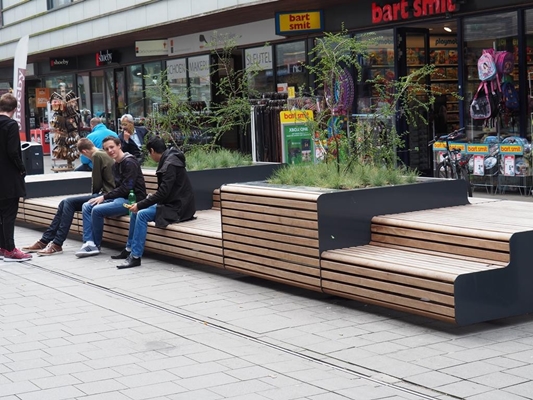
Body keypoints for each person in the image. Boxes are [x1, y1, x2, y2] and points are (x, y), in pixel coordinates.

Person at [22, 139, 115, 256]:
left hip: (106, 195)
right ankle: (46, 241)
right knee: (64, 203)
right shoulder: (101, 153)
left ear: (84, 151)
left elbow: (96, 182)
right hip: (107, 194)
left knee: (69, 202)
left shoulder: (97, 156)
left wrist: (92, 196)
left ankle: (55, 243)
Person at [114, 136, 195, 269]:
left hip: (178, 208)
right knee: (136, 211)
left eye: (149, 153)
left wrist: (141, 204)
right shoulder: (170, 159)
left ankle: (135, 257)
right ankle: (129, 249)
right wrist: (143, 203)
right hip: (174, 203)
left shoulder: (169, 164)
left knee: (141, 214)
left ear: (152, 150)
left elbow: (163, 193)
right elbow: (166, 191)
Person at [76, 135, 147, 258]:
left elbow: (127, 188)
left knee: (97, 210)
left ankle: (96, 245)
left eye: (112, 147)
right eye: (106, 149)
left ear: (119, 146)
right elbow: (118, 189)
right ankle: (89, 242)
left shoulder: (129, 162)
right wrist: (106, 197)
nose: (110, 150)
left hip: (133, 200)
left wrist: (104, 197)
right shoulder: (115, 165)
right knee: (87, 206)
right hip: (120, 198)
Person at [0, 93, 31, 262]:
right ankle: (10, 249)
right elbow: (13, 151)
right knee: (9, 214)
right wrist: (22, 168)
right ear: (14, 109)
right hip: (9, 177)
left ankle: (2, 247)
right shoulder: (11, 125)